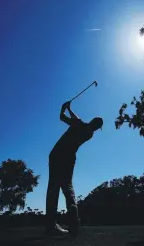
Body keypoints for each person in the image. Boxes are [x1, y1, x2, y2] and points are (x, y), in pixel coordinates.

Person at [45, 101, 103, 238]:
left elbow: (63, 117)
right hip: (69, 159)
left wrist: (64, 108)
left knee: (53, 189)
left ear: (92, 121)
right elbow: (77, 120)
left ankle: (51, 226)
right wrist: (70, 109)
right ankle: (74, 225)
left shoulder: (79, 124)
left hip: (57, 156)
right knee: (68, 189)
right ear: (96, 127)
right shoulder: (89, 134)